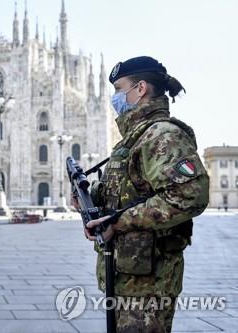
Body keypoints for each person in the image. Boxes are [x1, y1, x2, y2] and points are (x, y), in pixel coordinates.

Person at [83, 56, 209, 332]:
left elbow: (189, 196)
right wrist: (91, 199)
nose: (115, 97)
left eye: (119, 88)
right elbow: (130, 191)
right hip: (128, 276)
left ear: (140, 89)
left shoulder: (161, 135)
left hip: (149, 283)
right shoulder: (136, 136)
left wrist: (117, 223)